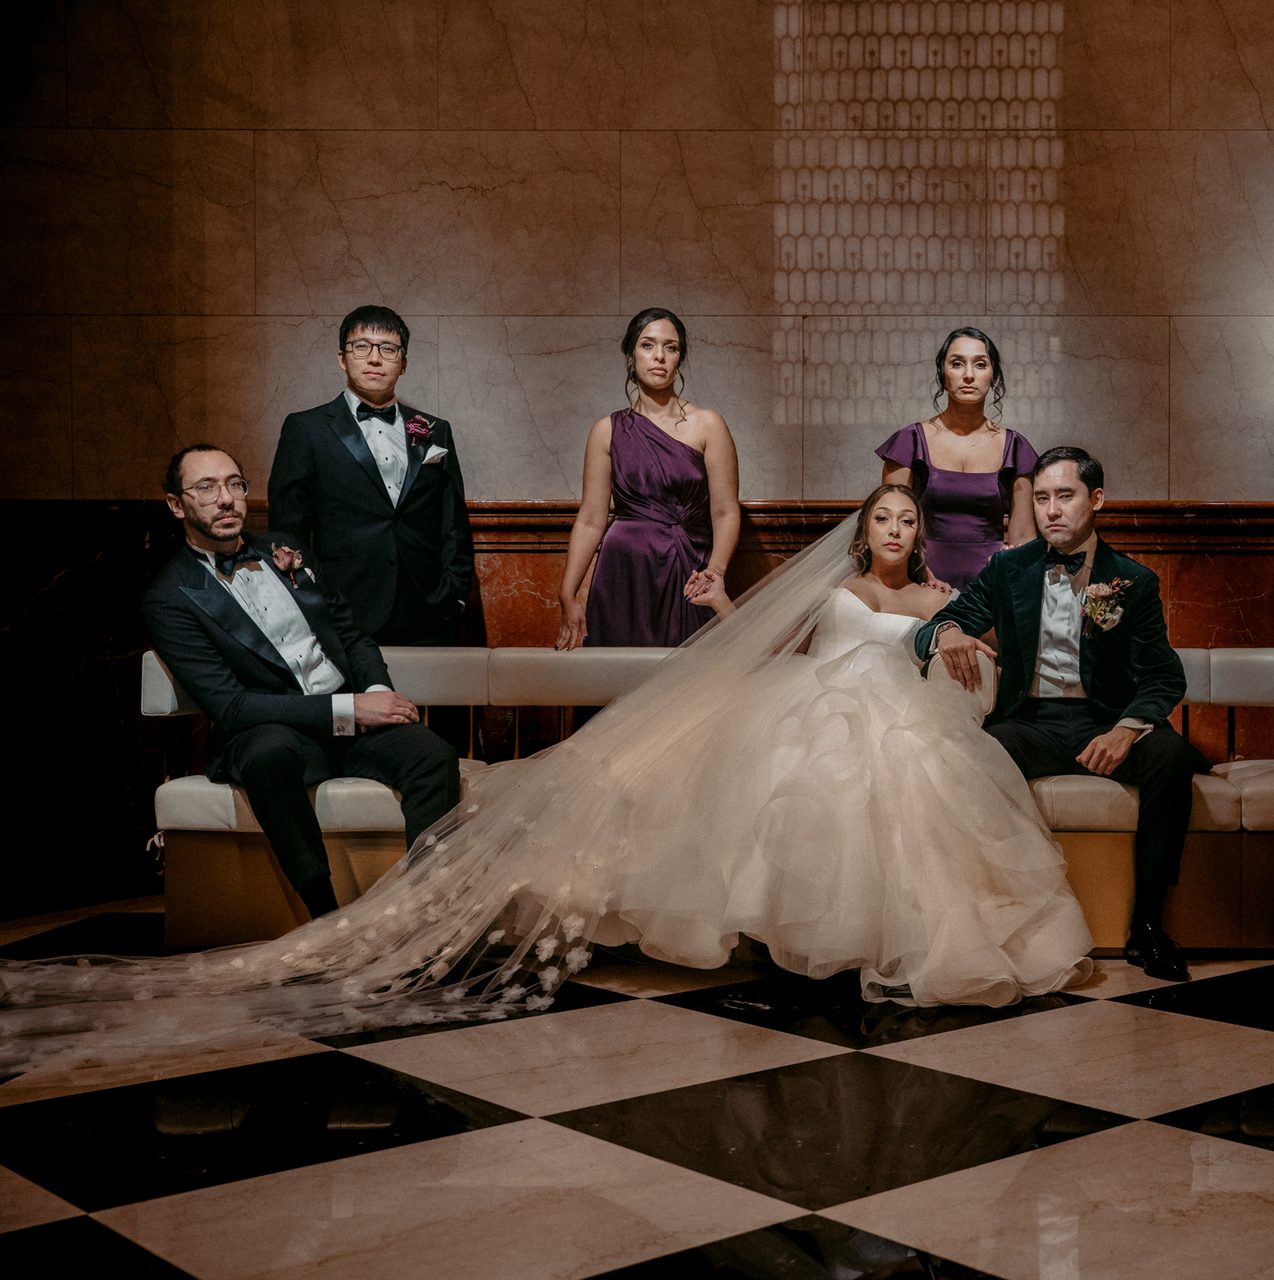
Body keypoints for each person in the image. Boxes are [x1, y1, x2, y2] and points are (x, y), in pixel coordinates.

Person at [2, 485, 1091, 1071]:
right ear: (865, 526)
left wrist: (958, 651)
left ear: (927, 533)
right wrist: (720, 614)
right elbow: (779, 645)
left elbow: (971, 667)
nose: (897, 529)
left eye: (910, 520)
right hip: (814, 701)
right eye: (884, 517)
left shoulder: (951, 595)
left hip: (894, 714)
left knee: (881, 780)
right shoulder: (839, 583)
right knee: (774, 777)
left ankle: (862, 945)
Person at [918, 446, 1207, 983]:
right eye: (1043, 498)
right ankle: (987, 920)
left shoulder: (1132, 581)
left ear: (1096, 500)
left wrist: (1125, 730)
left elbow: (1165, 677)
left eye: (1065, 496)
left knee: (1168, 755)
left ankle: (1148, 925)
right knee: (969, 755)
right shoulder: (1009, 568)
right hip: (1032, 723)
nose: (1051, 510)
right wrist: (950, 632)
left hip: (1108, 720)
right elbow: (934, 626)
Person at [142, 444, 463, 920]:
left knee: (432, 754)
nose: (225, 499)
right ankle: (325, 917)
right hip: (271, 730)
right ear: (176, 504)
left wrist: (374, 691)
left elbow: (352, 636)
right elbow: (232, 706)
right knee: (267, 753)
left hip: (347, 721)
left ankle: (428, 911)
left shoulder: (286, 549)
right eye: (206, 487)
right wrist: (352, 709)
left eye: (234, 484)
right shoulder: (169, 596)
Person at [268, 306, 475, 645]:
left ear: (403, 363)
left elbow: (452, 521)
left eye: (388, 349)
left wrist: (455, 593)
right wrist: (309, 599)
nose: (375, 359)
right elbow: (289, 527)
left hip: (429, 607)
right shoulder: (306, 429)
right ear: (342, 358)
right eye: (361, 346)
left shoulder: (435, 431)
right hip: (345, 606)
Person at [554, 308, 741, 649]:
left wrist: (715, 572)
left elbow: (726, 511)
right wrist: (568, 593)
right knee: (615, 685)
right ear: (631, 354)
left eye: (670, 347)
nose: (659, 356)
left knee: (690, 685)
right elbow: (591, 519)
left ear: (679, 358)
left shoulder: (708, 424)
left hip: (690, 571)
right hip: (622, 574)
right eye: (648, 345)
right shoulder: (606, 431)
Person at [877, 326, 1039, 590]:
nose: (968, 375)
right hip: (919, 580)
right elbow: (887, 527)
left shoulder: (1015, 447)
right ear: (943, 374)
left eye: (980, 364)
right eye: (956, 364)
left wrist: (1006, 580)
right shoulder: (910, 442)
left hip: (992, 585)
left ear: (993, 375)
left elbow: (1023, 539)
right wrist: (921, 575)